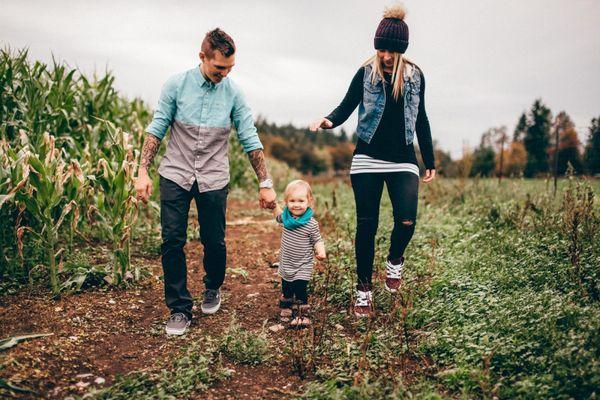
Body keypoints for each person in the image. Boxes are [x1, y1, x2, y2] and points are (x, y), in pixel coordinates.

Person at [135, 28, 277, 335]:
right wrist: (142, 171)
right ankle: (179, 308)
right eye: (219, 68)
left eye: (230, 68)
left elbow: (249, 138)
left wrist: (265, 183)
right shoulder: (176, 85)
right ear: (203, 57)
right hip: (175, 173)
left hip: (213, 177)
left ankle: (212, 286)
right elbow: (157, 128)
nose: (225, 74)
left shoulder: (233, 93)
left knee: (214, 240)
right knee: (172, 240)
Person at [310, 3, 436, 317]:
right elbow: (347, 105)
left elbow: (421, 119)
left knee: (407, 220)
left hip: (403, 159)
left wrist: (429, 159)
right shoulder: (366, 72)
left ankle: (395, 260)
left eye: (392, 51)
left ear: (402, 50)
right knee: (367, 225)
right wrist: (328, 120)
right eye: (381, 49)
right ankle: (363, 291)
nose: (386, 56)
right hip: (367, 157)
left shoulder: (415, 76)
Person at [271, 180, 326, 328]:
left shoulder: (311, 223)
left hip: (303, 263)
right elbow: (277, 216)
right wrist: (273, 205)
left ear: (309, 201)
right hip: (287, 261)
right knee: (287, 285)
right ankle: (287, 304)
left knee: (300, 287)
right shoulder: (286, 218)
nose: (296, 204)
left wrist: (320, 251)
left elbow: (317, 239)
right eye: (292, 201)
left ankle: (302, 312)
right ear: (286, 202)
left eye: (301, 201)